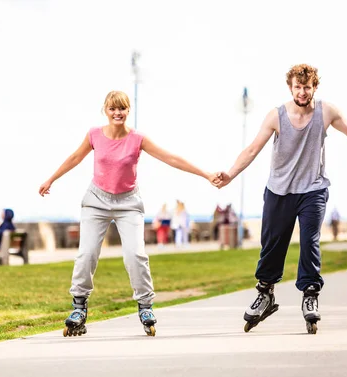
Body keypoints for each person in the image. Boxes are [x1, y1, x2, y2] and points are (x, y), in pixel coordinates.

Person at [215, 64, 347, 334]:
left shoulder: (326, 112)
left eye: (307, 87)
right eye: (297, 87)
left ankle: (310, 294)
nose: (302, 92)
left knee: (309, 241)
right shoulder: (276, 116)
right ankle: (265, 293)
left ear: (315, 87)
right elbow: (252, 149)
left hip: (313, 190)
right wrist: (231, 174)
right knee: (272, 245)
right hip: (279, 191)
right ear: (290, 88)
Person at [39, 90, 218, 337]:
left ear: (128, 110)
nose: (117, 113)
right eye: (113, 109)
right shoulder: (93, 135)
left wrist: (206, 174)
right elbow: (74, 158)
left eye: (122, 108)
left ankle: (145, 306)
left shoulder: (137, 139)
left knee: (135, 255)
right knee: (87, 253)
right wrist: (51, 179)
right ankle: (79, 307)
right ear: (105, 110)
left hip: (128, 202)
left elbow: (171, 158)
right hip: (96, 200)